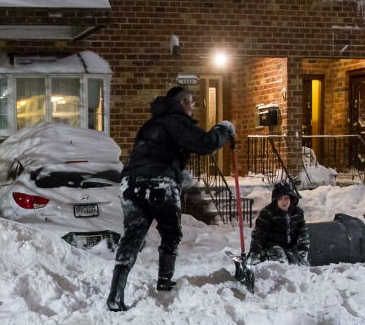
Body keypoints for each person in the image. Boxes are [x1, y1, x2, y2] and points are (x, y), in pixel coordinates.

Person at [107, 86, 235, 311]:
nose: (193, 106)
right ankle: (164, 282)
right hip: (159, 183)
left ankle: (115, 295)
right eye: (192, 102)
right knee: (171, 232)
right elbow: (204, 143)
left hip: (130, 183)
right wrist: (222, 129)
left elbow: (153, 153)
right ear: (183, 103)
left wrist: (179, 172)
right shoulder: (176, 119)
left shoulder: (150, 125)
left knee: (132, 237)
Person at [247, 181, 309, 265]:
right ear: (275, 200)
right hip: (271, 249)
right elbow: (258, 235)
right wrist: (254, 255)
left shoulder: (297, 213)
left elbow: (303, 234)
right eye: (280, 199)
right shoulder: (268, 213)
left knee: (299, 266)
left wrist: (302, 253)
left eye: (286, 198)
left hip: (290, 249)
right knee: (281, 261)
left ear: (291, 198)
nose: (284, 202)